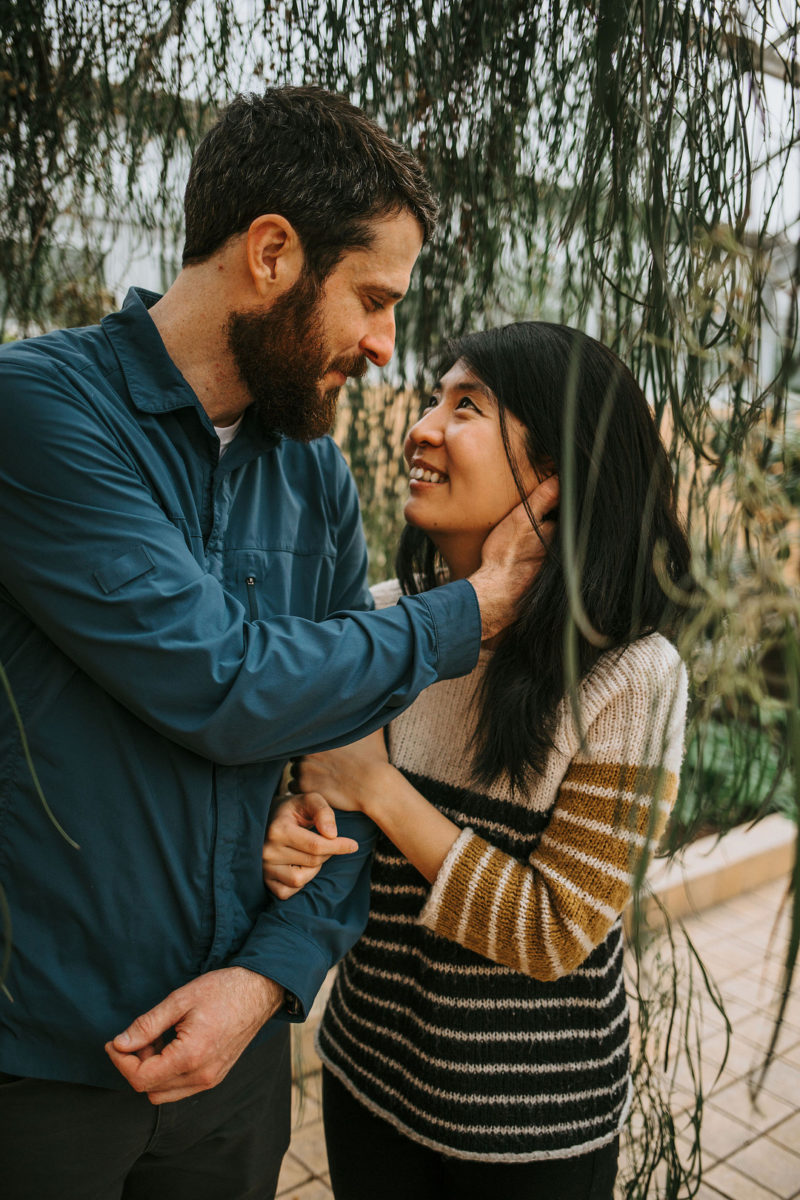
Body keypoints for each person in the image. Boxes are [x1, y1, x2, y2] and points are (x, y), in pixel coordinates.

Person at [0, 90, 556, 1200]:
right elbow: (226, 681)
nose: (385, 345)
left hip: (237, 1068)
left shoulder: (308, 471)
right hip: (41, 1070)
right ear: (269, 254)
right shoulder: (38, 411)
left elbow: (341, 755)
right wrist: (474, 610)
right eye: (372, 299)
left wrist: (268, 980)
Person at [264, 321, 692, 1200]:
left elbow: (554, 932)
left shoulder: (631, 676)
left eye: (468, 407)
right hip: (368, 1079)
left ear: (554, 478)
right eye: (434, 397)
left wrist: (379, 791)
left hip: (530, 1132)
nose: (423, 426)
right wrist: (289, 837)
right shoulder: (382, 624)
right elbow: (306, 805)